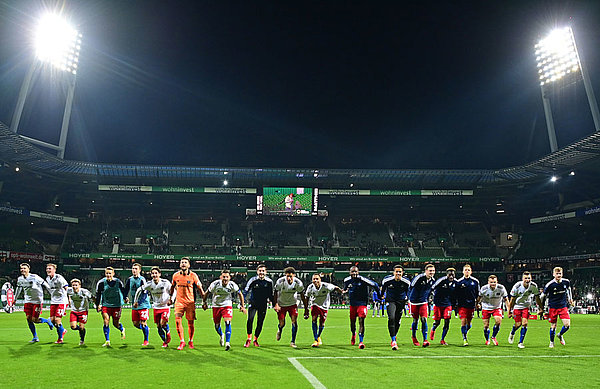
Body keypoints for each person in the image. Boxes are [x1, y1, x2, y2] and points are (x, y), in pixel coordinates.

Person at [203, 269, 247, 351]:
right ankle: (221, 335)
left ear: (229, 277)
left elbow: (240, 294)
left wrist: (242, 306)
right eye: (224, 277)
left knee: (227, 322)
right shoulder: (215, 284)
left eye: (227, 277)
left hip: (227, 305)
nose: (225, 278)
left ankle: (227, 343)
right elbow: (207, 293)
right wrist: (204, 303)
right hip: (216, 305)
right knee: (216, 326)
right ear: (220, 277)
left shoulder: (232, 285)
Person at [169, 257, 205, 350]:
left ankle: (191, 340)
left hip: (190, 303)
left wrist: (204, 300)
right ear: (180, 265)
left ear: (189, 265)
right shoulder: (176, 275)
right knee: (177, 321)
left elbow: (200, 288)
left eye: (185, 262)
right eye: (182, 262)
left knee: (190, 323)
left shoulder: (193, 276)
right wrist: (170, 298)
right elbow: (172, 287)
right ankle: (182, 341)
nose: (183, 264)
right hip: (179, 302)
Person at [14, 263, 54, 342]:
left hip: (37, 300)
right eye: (21, 269)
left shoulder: (34, 277)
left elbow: (44, 283)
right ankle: (35, 337)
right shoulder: (20, 279)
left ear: (28, 269)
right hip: (28, 300)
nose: (22, 270)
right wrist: (15, 299)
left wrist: (52, 293)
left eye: (24, 268)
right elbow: (19, 289)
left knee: (35, 319)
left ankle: (47, 321)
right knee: (28, 319)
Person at [134, 266, 173, 348]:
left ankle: (168, 332)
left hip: (165, 306)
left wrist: (171, 299)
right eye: (153, 273)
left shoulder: (165, 282)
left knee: (163, 323)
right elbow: (139, 290)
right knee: (158, 326)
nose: (154, 275)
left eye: (156, 273)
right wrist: (135, 301)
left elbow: (174, 290)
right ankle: (165, 341)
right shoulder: (149, 284)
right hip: (156, 307)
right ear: (151, 275)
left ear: (159, 274)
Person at [343, 266, 379, 349]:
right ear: (350, 272)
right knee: (352, 323)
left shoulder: (363, 280)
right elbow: (345, 288)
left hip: (362, 303)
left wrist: (380, 296)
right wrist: (344, 291)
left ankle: (361, 341)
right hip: (352, 304)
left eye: (355, 271)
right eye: (352, 272)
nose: (354, 273)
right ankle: (353, 334)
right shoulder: (347, 280)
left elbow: (375, 285)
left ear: (358, 272)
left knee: (361, 321)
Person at [303, 273, 343, 347]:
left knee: (321, 323)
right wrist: (306, 309)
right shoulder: (310, 287)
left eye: (317, 279)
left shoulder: (326, 286)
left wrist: (341, 291)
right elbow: (307, 297)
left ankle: (318, 336)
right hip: (314, 304)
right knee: (314, 319)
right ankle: (315, 339)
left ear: (320, 280)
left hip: (324, 306)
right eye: (314, 279)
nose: (315, 280)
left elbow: (335, 288)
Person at [507, 271, 543, 349]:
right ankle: (512, 332)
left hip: (526, 307)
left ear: (531, 278)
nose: (527, 280)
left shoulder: (534, 286)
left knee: (525, 323)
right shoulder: (517, 286)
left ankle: (520, 342)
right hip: (517, 306)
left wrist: (541, 308)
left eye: (529, 278)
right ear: (522, 278)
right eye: (525, 278)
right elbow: (512, 300)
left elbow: (537, 298)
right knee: (518, 324)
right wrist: (509, 311)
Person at [274, 267, 306, 348]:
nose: (289, 278)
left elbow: (302, 295)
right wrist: (276, 304)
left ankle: (293, 341)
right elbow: (275, 292)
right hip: (281, 304)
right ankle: (280, 329)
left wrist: (306, 308)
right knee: (282, 323)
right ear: (285, 275)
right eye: (287, 276)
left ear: (294, 275)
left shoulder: (298, 283)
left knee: (294, 321)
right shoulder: (280, 282)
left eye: (290, 276)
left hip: (292, 304)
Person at [243, 264, 274, 347]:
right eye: (260, 271)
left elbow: (271, 295)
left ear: (266, 272)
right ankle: (249, 338)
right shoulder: (252, 280)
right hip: (253, 304)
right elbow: (245, 291)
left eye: (263, 271)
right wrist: (242, 304)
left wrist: (275, 305)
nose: (261, 272)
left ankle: (255, 339)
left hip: (263, 305)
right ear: (257, 272)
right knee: (250, 319)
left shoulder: (269, 282)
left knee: (260, 322)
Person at [95, 267, 127, 347]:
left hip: (116, 305)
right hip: (106, 305)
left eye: (110, 273)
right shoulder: (101, 283)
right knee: (106, 321)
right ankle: (107, 340)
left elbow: (123, 290)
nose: (108, 275)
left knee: (115, 324)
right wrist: (98, 304)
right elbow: (98, 294)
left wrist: (125, 298)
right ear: (105, 274)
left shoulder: (118, 282)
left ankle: (122, 328)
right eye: (107, 273)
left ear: (113, 274)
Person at [380, 265, 410, 350]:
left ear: (402, 273)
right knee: (391, 318)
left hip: (401, 301)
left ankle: (394, 336)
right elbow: (383, 288)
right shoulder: (387, 280)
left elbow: (409, 291)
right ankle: (393, 341)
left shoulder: (406, 282)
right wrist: (381, 295)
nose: (398, 273)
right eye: (396, 272)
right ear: (393, 272)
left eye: (400, 272)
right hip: (390, 301)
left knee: (397, 320)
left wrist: (408, 300)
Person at [543, 266, 573, 348]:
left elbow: (569, 289)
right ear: (553, 274)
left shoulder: (566, 282)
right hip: (553, 307)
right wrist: (543, 307)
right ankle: (551, 342)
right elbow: (543, 296)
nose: (559, 275)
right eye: (557, 273)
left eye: (560, 273)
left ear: (562, 274)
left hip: (563, 306)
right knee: (553, 326)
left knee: (567, 325)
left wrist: (570, 299)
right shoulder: (550, 285)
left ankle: (560, 334)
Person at [408, 264, 436, 347]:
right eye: (430, 271)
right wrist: (409, 299)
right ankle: (414, 336)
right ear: (426, 271)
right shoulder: (419, 278)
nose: (432, 272)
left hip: (423, 302)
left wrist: (429, 298)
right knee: (415, 320)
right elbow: (410, 286)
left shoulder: (432, 280)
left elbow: (431, 290)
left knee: (424, 319)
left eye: (433, 271)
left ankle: (425, 340)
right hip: (414, 302)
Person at [124, 263, 151, 346]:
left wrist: (138, 302)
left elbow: (145, 293)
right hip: (134, 305)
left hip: (143, 304)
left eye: (136, 268)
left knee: (143, 323)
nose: (134, 270)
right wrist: (125, 297)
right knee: (135, 324)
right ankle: (146, 329)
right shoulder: (130, 279)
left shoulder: (142, 280)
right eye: (133, 268)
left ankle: (146, 340)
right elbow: (126, 289)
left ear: (139, 270)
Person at [479, 275, 509, 346]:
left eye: (494, 282)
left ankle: (493, 336)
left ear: (497, 282)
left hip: (496, 307)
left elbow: (506, 299)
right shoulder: (484, 288)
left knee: (498, 321)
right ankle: (487, 339)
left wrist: (509, 310)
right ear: (488, 282)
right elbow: (479, 297)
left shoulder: (501, 288)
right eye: (491, 282)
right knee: (486, 325)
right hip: (486, 307)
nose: (493, 284)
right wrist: (477, 304)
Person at [454, 264, 480, 346]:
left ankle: (465, 331)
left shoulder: (475, 282)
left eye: (468, 270)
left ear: (471, 271)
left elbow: (478, 294)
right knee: (463, 321)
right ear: (463, 271)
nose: (467, 271)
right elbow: (456, 294)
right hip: (462, 305)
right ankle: (465, 339)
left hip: (471, 305)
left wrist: (478, 303)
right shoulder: (459, 282)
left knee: (469, 323)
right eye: (465, 270)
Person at [430, 267, 457, 346]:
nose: (451, 276)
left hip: (447, 304)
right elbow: (432, 287)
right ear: (447, 274)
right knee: (437, 322)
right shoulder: (441, 280)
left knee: (447, 321)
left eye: (453, 274)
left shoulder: (456, 283)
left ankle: (442, 339)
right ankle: (433, 329)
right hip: (438, 304)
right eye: (450, 274)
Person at [45, 263, 69, 343]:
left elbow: (66, 287)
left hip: (62, 301)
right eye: (47, 268)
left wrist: (69, 298)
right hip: (54, 301)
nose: (48, 270)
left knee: (57, 319)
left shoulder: (59, 277)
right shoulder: (47, 279)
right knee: (52, 320)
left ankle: (60, 338)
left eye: (50, 269)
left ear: (54, 270)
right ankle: (63, 330)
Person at [67, 278, 94, 345]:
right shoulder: (69, 290)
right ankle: (81, 330)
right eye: (73, 285)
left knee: (82, 327)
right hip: (74, 311)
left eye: (76, 285)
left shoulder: (84, 291)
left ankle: (82, 340)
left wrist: (97, 305)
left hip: (83, 311)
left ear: (79, 285)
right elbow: (66, 294)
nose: (74, 287)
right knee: (73, 327)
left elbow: (92, 297)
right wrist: (69, 300)